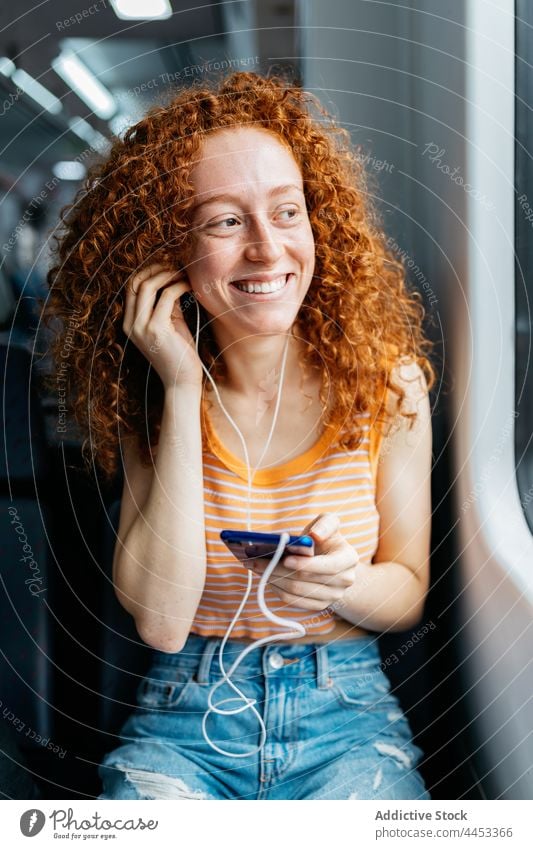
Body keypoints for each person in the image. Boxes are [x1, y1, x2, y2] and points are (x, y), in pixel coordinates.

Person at [43, 71, 436, 800]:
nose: (266, 249)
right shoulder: (152, 401)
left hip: (345, 718)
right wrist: (182, 386)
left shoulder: (390, 384)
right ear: (169, 252)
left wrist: (347, 583)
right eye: (225, 221)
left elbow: (406, 591)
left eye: (286, 212)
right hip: (185, 719)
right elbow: (161, 623)